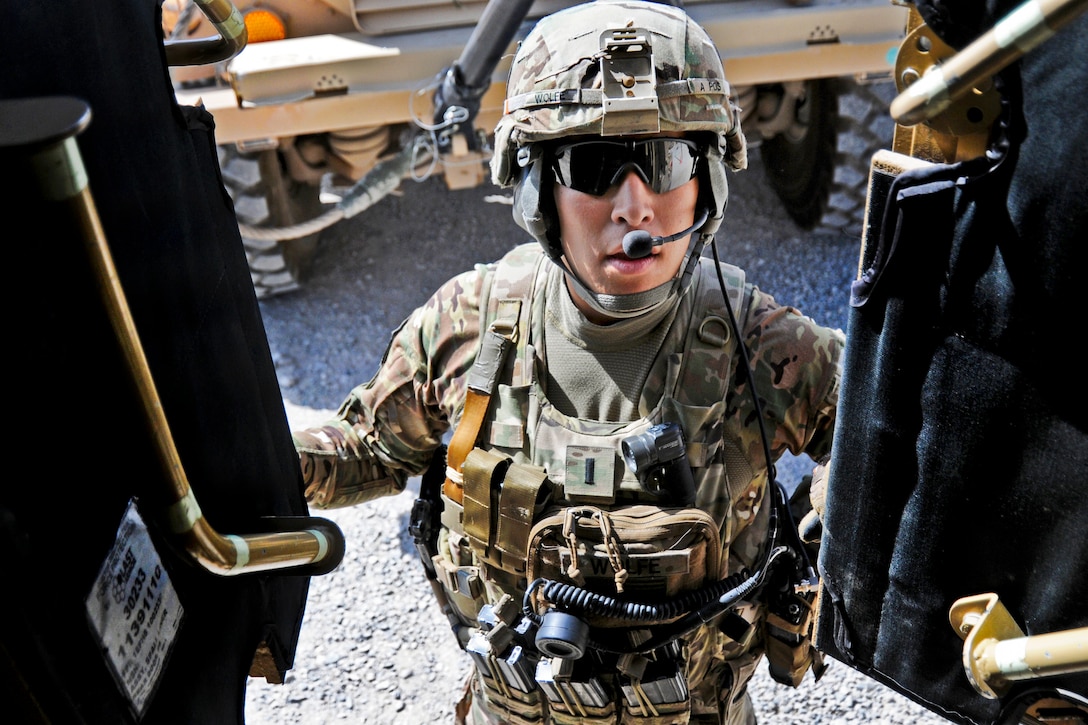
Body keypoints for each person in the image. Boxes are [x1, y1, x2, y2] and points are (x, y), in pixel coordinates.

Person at [292, 1, 844, 723]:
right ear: (536, 188)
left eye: (666, 161)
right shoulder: (471, 325)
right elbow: (367, 448)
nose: (634, 207)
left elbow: (892, 440)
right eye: (593, 168)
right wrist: (234, 459)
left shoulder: (762, 344)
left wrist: (819, 536)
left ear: (708, 179)